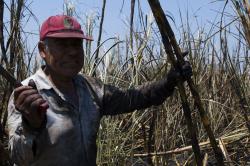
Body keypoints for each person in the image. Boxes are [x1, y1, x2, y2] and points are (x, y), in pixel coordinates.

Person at [7, 15, 192, 166]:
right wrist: (31, 125)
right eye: (62, 44)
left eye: (76, 44)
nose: (72, 52)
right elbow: (18, 158)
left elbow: (134, 98)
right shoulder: (26, 95)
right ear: (42, 50)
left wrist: (169, 82)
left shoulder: (90, 88)